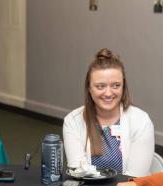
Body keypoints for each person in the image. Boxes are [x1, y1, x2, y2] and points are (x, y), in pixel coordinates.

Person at [63, 48, 154, 177]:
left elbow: (134, 178)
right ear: (89, 88)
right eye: (100, 86)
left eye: (116, 85)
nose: (108, 93)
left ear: (123, 86)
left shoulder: (141, 120)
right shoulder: (72, 120)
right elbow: (79, 173)